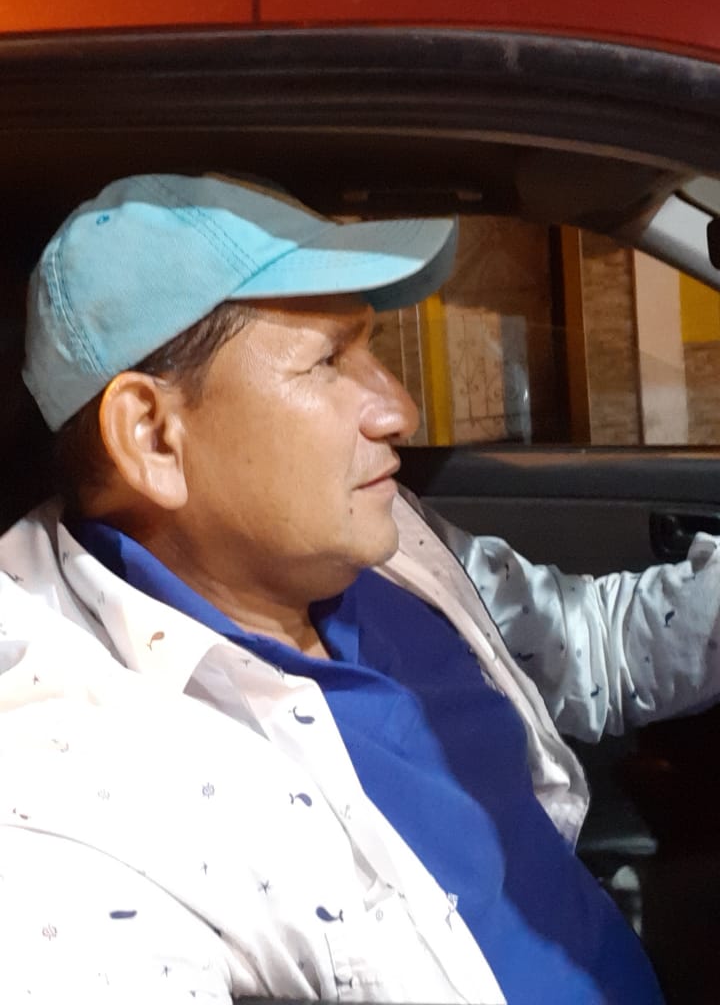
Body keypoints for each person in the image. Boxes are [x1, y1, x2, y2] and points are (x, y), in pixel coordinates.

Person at [1, 173, 718, 1005]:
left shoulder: (380, 542)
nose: (399, 409)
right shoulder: (72, 795)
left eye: (370, 349)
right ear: (154, 437)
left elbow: (584, 647)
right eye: (330, 361)